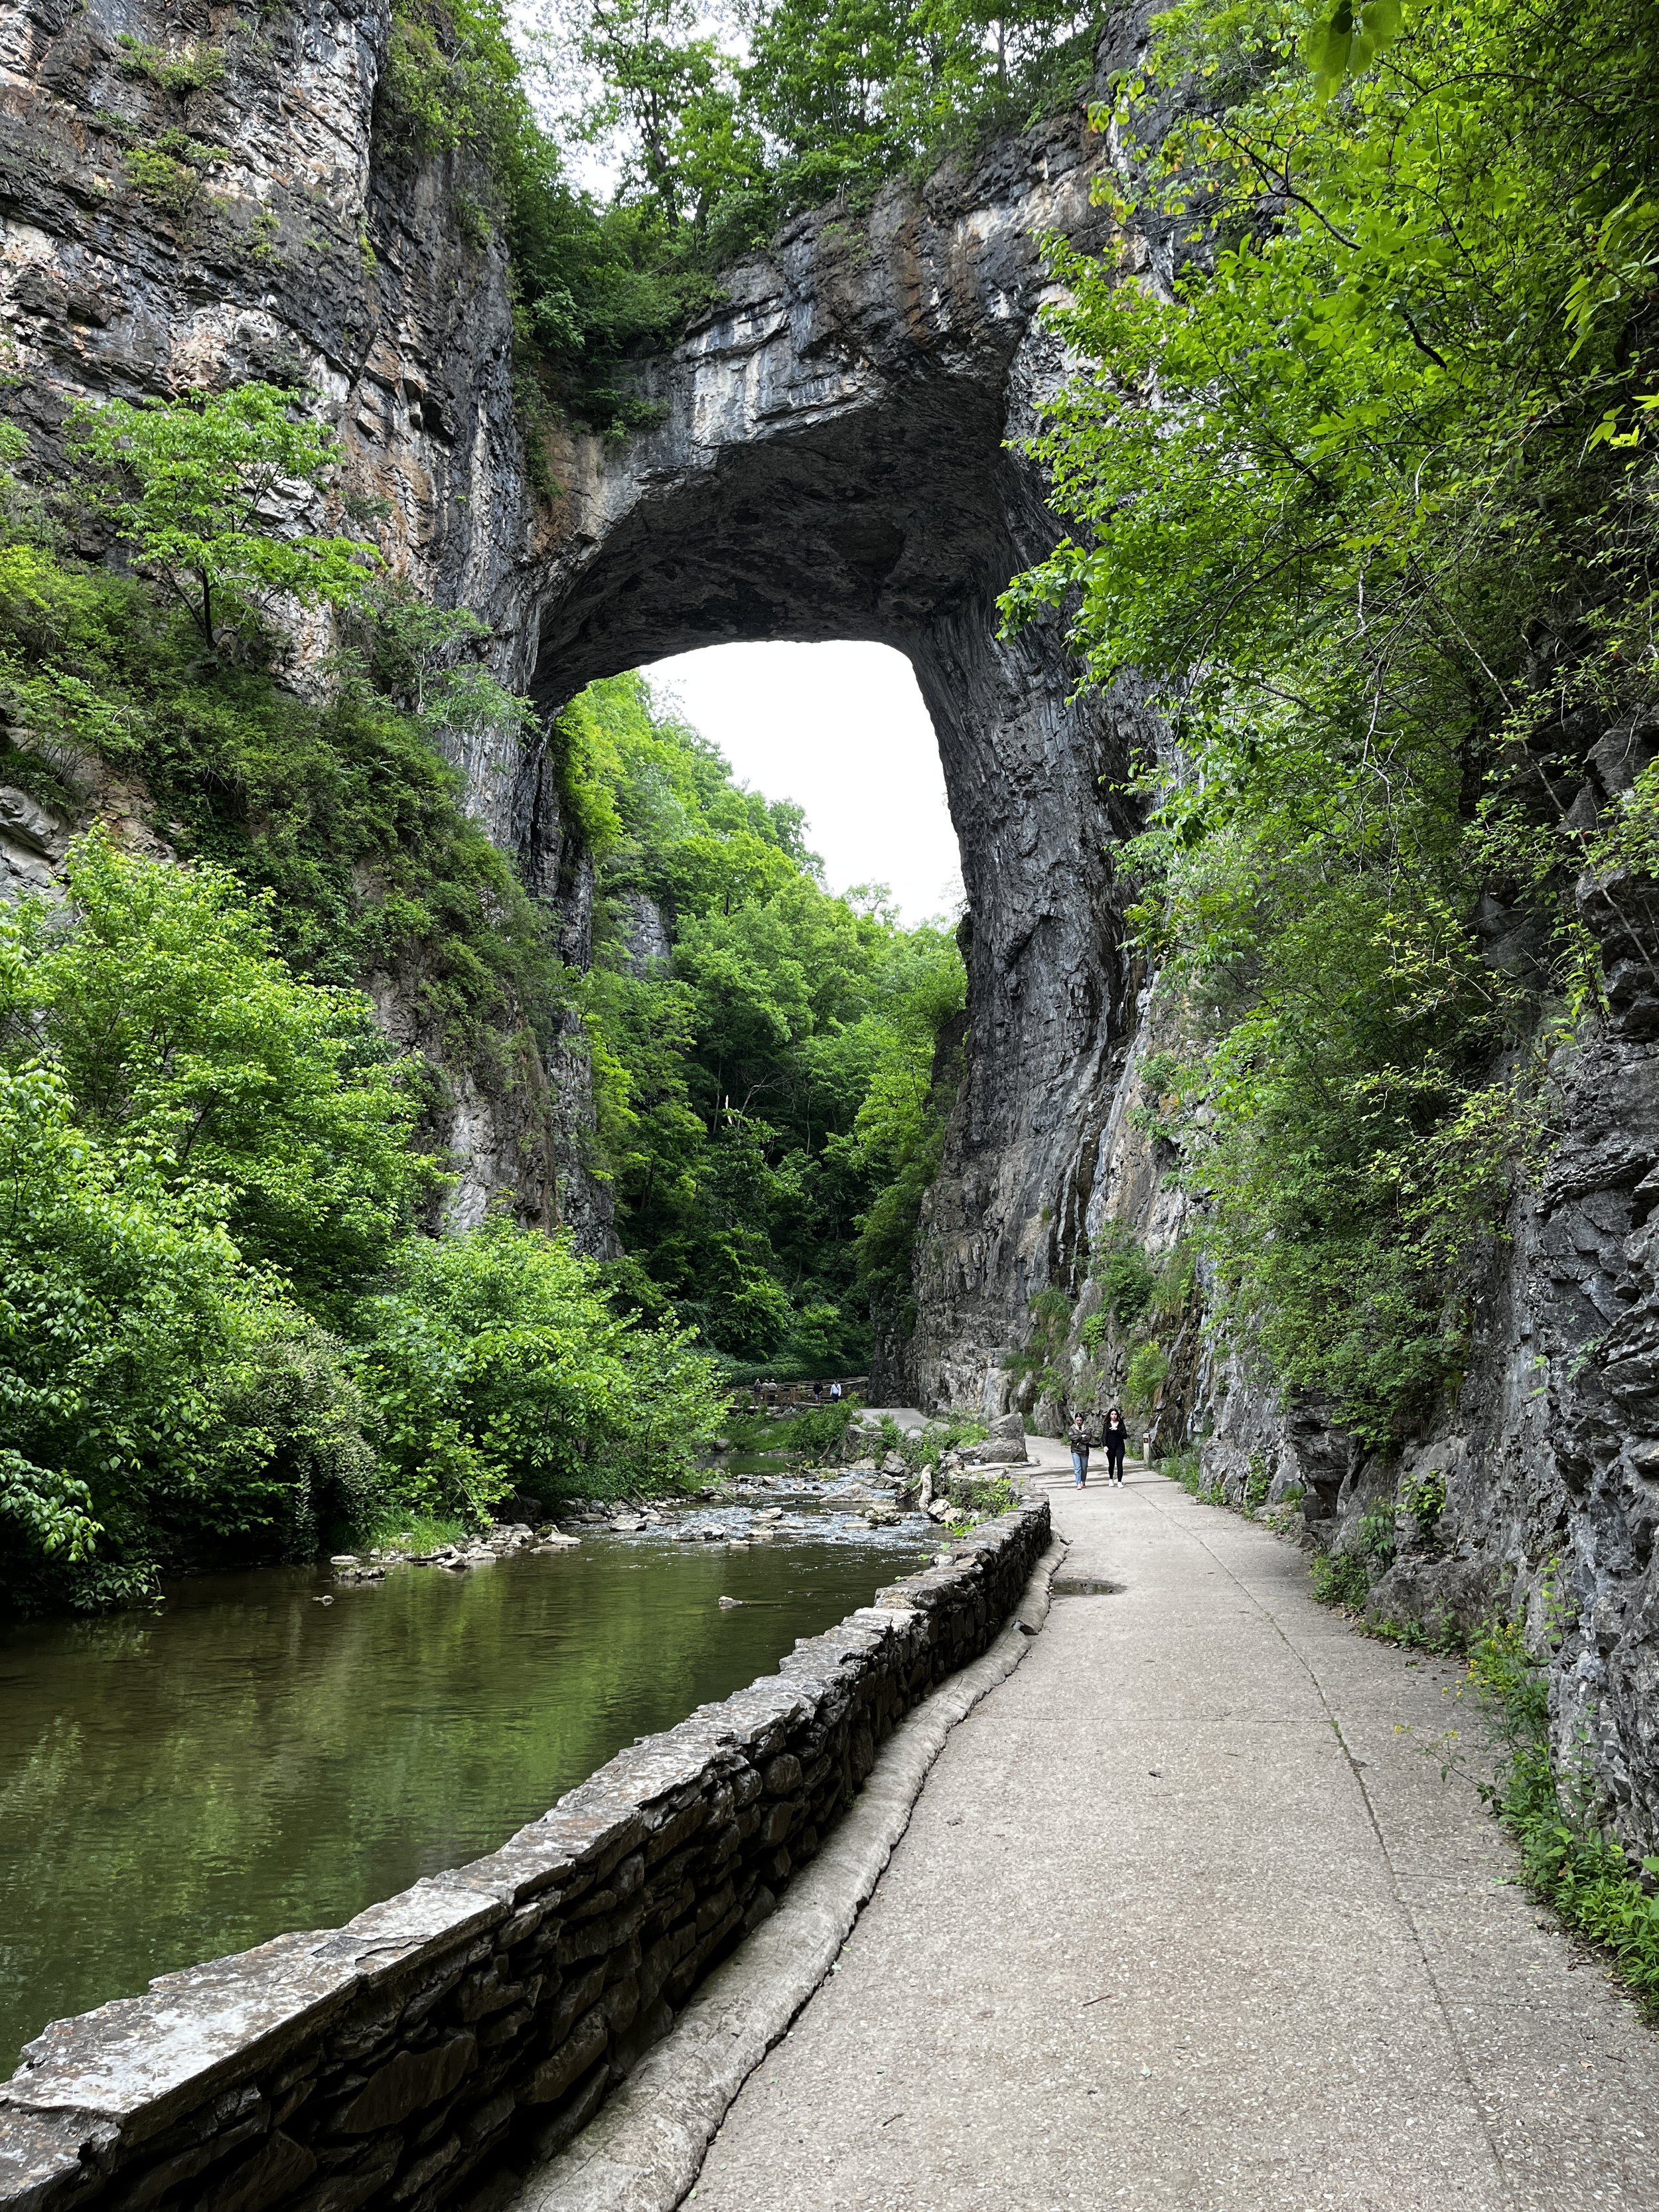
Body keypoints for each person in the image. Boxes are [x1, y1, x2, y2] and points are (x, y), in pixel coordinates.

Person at [1102, 1405, 1128, 1483]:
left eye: (1115, 1414)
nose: (1114, 1416)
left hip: (1120, 1447)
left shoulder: (1120, 1425)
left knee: (1119, 1463)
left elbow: (1125, 1436)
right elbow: (1104, 1436)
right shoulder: (1107, 1425)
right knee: (1112, 1463)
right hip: (1110, 1447)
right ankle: (1111, 1479)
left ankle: (1120, 1481)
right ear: (1110, 1415)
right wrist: (1105, 1445)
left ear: (1117, 1415)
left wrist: (1117, 1430)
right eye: (1112, 1414)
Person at [1067, 1411, 1093, 1487]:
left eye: (1080, 1420)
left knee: (1084, 1467)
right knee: (1077, 1468)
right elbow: (1072, 1438)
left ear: (1083, 1420)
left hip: (1084, 1450)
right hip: (1075, 1450)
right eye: (1077, 1420)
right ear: (1075, 1420)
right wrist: (1082, 1436)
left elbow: (1088, 1438)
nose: (1079, 1422)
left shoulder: (1087, 1428)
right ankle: (1078, 1483)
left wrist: (1079, 1438)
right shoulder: (1072, 1428)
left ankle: (1083, 1481)